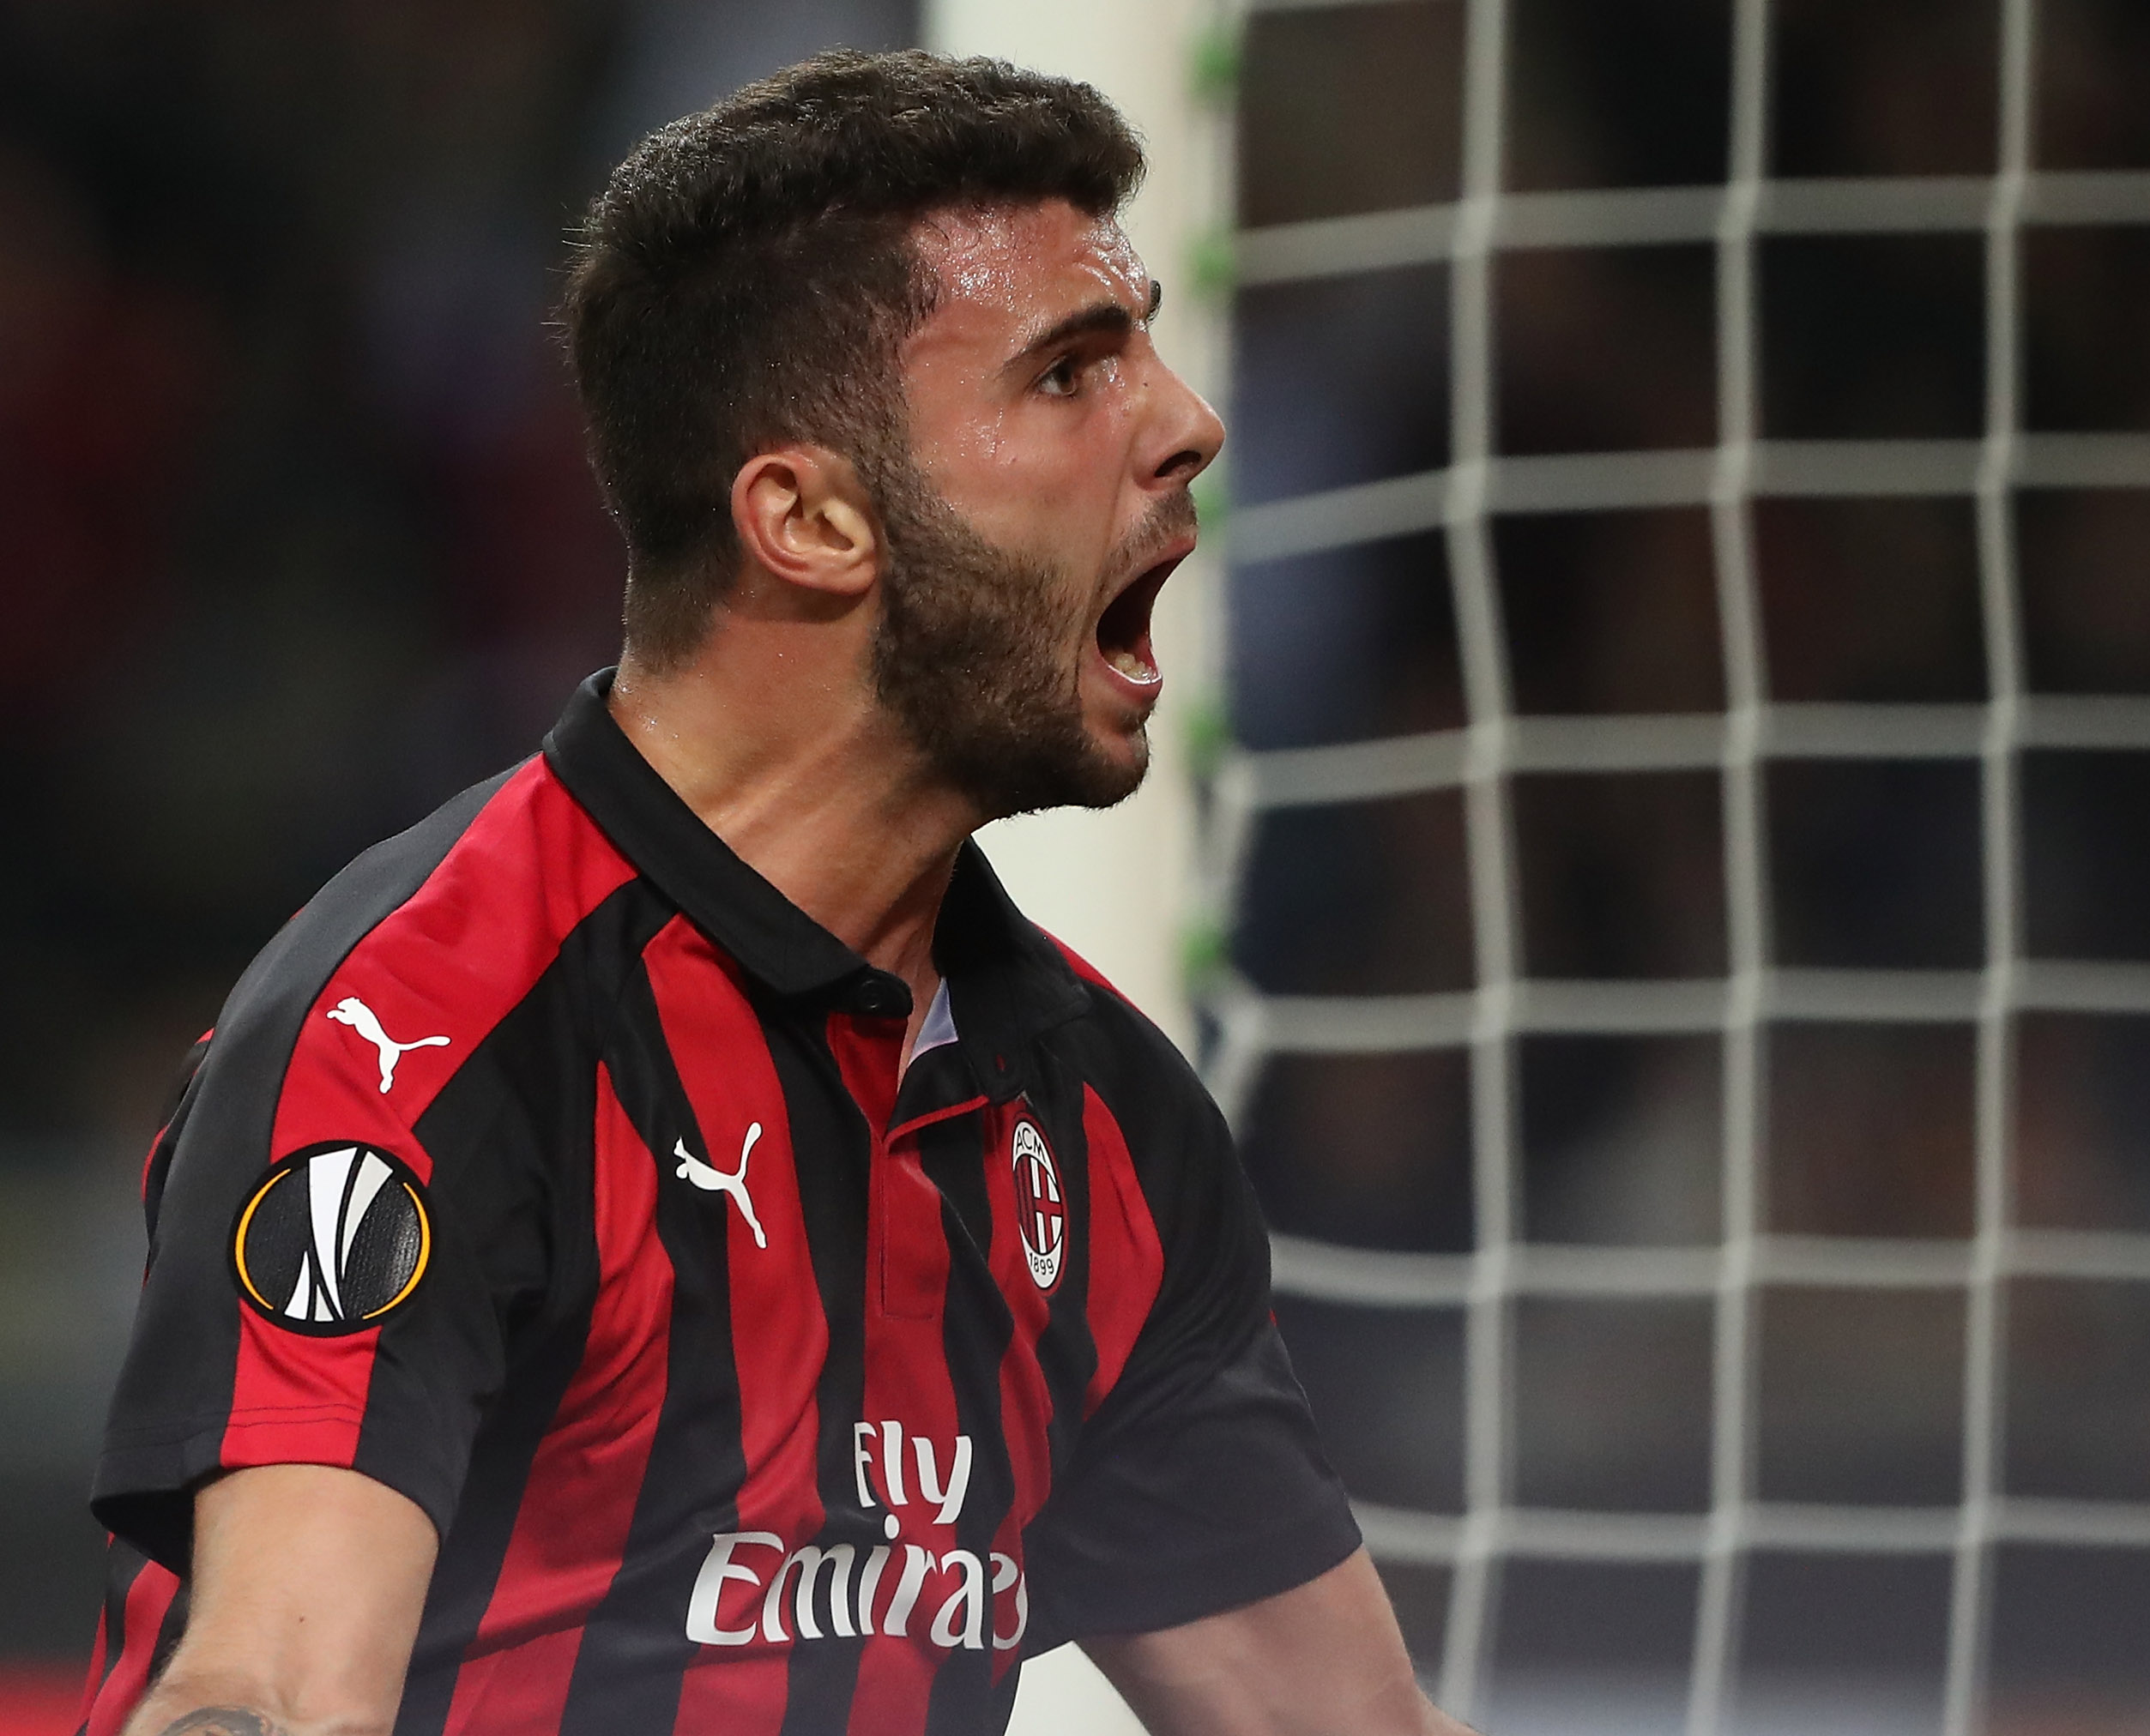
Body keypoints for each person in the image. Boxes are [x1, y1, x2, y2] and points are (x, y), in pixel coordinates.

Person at [77, 50, 1475, 1736]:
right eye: (1069, 373)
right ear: (808, 517)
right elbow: (276, 1689)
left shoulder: (1103, 1128)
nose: (1186, 422)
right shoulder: (427, 1032)